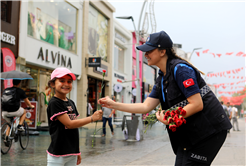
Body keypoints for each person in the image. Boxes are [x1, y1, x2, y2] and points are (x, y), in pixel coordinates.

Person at [98, 31, 232, 166]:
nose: (146, 55)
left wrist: (170, 118)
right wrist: (113, 104)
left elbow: (197, 104)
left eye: (149, 51)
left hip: (210, 131)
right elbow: (146, 106)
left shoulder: (181, 70)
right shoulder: (162, 78)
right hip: (190, 134)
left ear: (162, 51)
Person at [46, 67, 103, 166]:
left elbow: (74, 129)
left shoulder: (71, 102)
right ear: (52, 84)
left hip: (72, 153)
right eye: (62, 81)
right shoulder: (54, 103)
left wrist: (77, 151)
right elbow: (69, 124)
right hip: (58, 154)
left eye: (69, 81)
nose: (66, 84)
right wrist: (92, 118)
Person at [2, 80, 35, 146]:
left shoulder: (6, 90)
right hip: (15, 111)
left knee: (9, 124)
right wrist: (31, 106)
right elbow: (27, 102)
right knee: (24, 112)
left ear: (12, 82)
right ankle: (20, 126)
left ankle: (6, 137)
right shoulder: (20, 91)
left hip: (4, 112)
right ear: (19, 83)